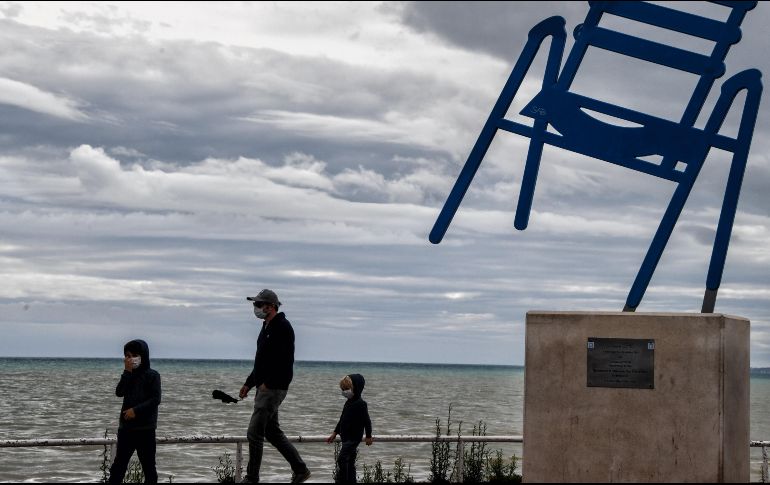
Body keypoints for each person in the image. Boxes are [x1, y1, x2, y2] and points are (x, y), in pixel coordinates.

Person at [239, 289, 311, 483]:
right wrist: (249, 382)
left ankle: (252, 478)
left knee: (254, 433)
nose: (255, 308)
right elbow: (261, 361)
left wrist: (267, 384)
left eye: (258, 304)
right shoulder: (266, 326)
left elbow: (284, 363)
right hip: (263, 387)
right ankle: (300, 469)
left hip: (272, 389)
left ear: (270, 306)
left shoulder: (283, 327)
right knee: (272, 432)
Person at [109, 339, 162, 484]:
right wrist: (127, 372)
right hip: (126, 429)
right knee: (118, 468)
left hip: (146, 429)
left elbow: (155, 399)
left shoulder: (153, 375)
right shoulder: (129, 375)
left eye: (134, 355)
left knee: (149, 470)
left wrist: (135, 411)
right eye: (127, 355)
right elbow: (119, 392)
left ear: (143, 355)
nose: (130, 358)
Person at [326, 374, 373, 483]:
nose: (344, 391)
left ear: (356, 387)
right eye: (343, 389)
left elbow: (367, 421)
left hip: (353, 438)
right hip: (345, 437)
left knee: (341, 459)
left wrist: (369, 436)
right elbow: (342, 419)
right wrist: (335, 432)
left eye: (347, 389)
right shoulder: (348, 403)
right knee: (350, 462)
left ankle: (343, 481)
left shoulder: (361, 404)